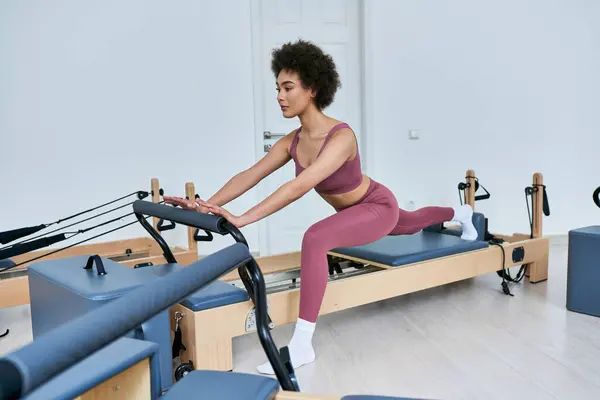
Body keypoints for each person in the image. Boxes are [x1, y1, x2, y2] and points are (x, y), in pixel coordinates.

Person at [164, 39, 477, 375]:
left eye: (288, 87)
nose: (279, 96)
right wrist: (205, 205)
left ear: (311, 89)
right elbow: (250, 175)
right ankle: (462, 214)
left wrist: (243, 218)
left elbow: (299, 185)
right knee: (413, 222)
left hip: (376, 204)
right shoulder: (293, 141)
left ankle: (301, 345)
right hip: (357, 211)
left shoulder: (341, 137)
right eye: (277, 88)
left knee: (318, 238)